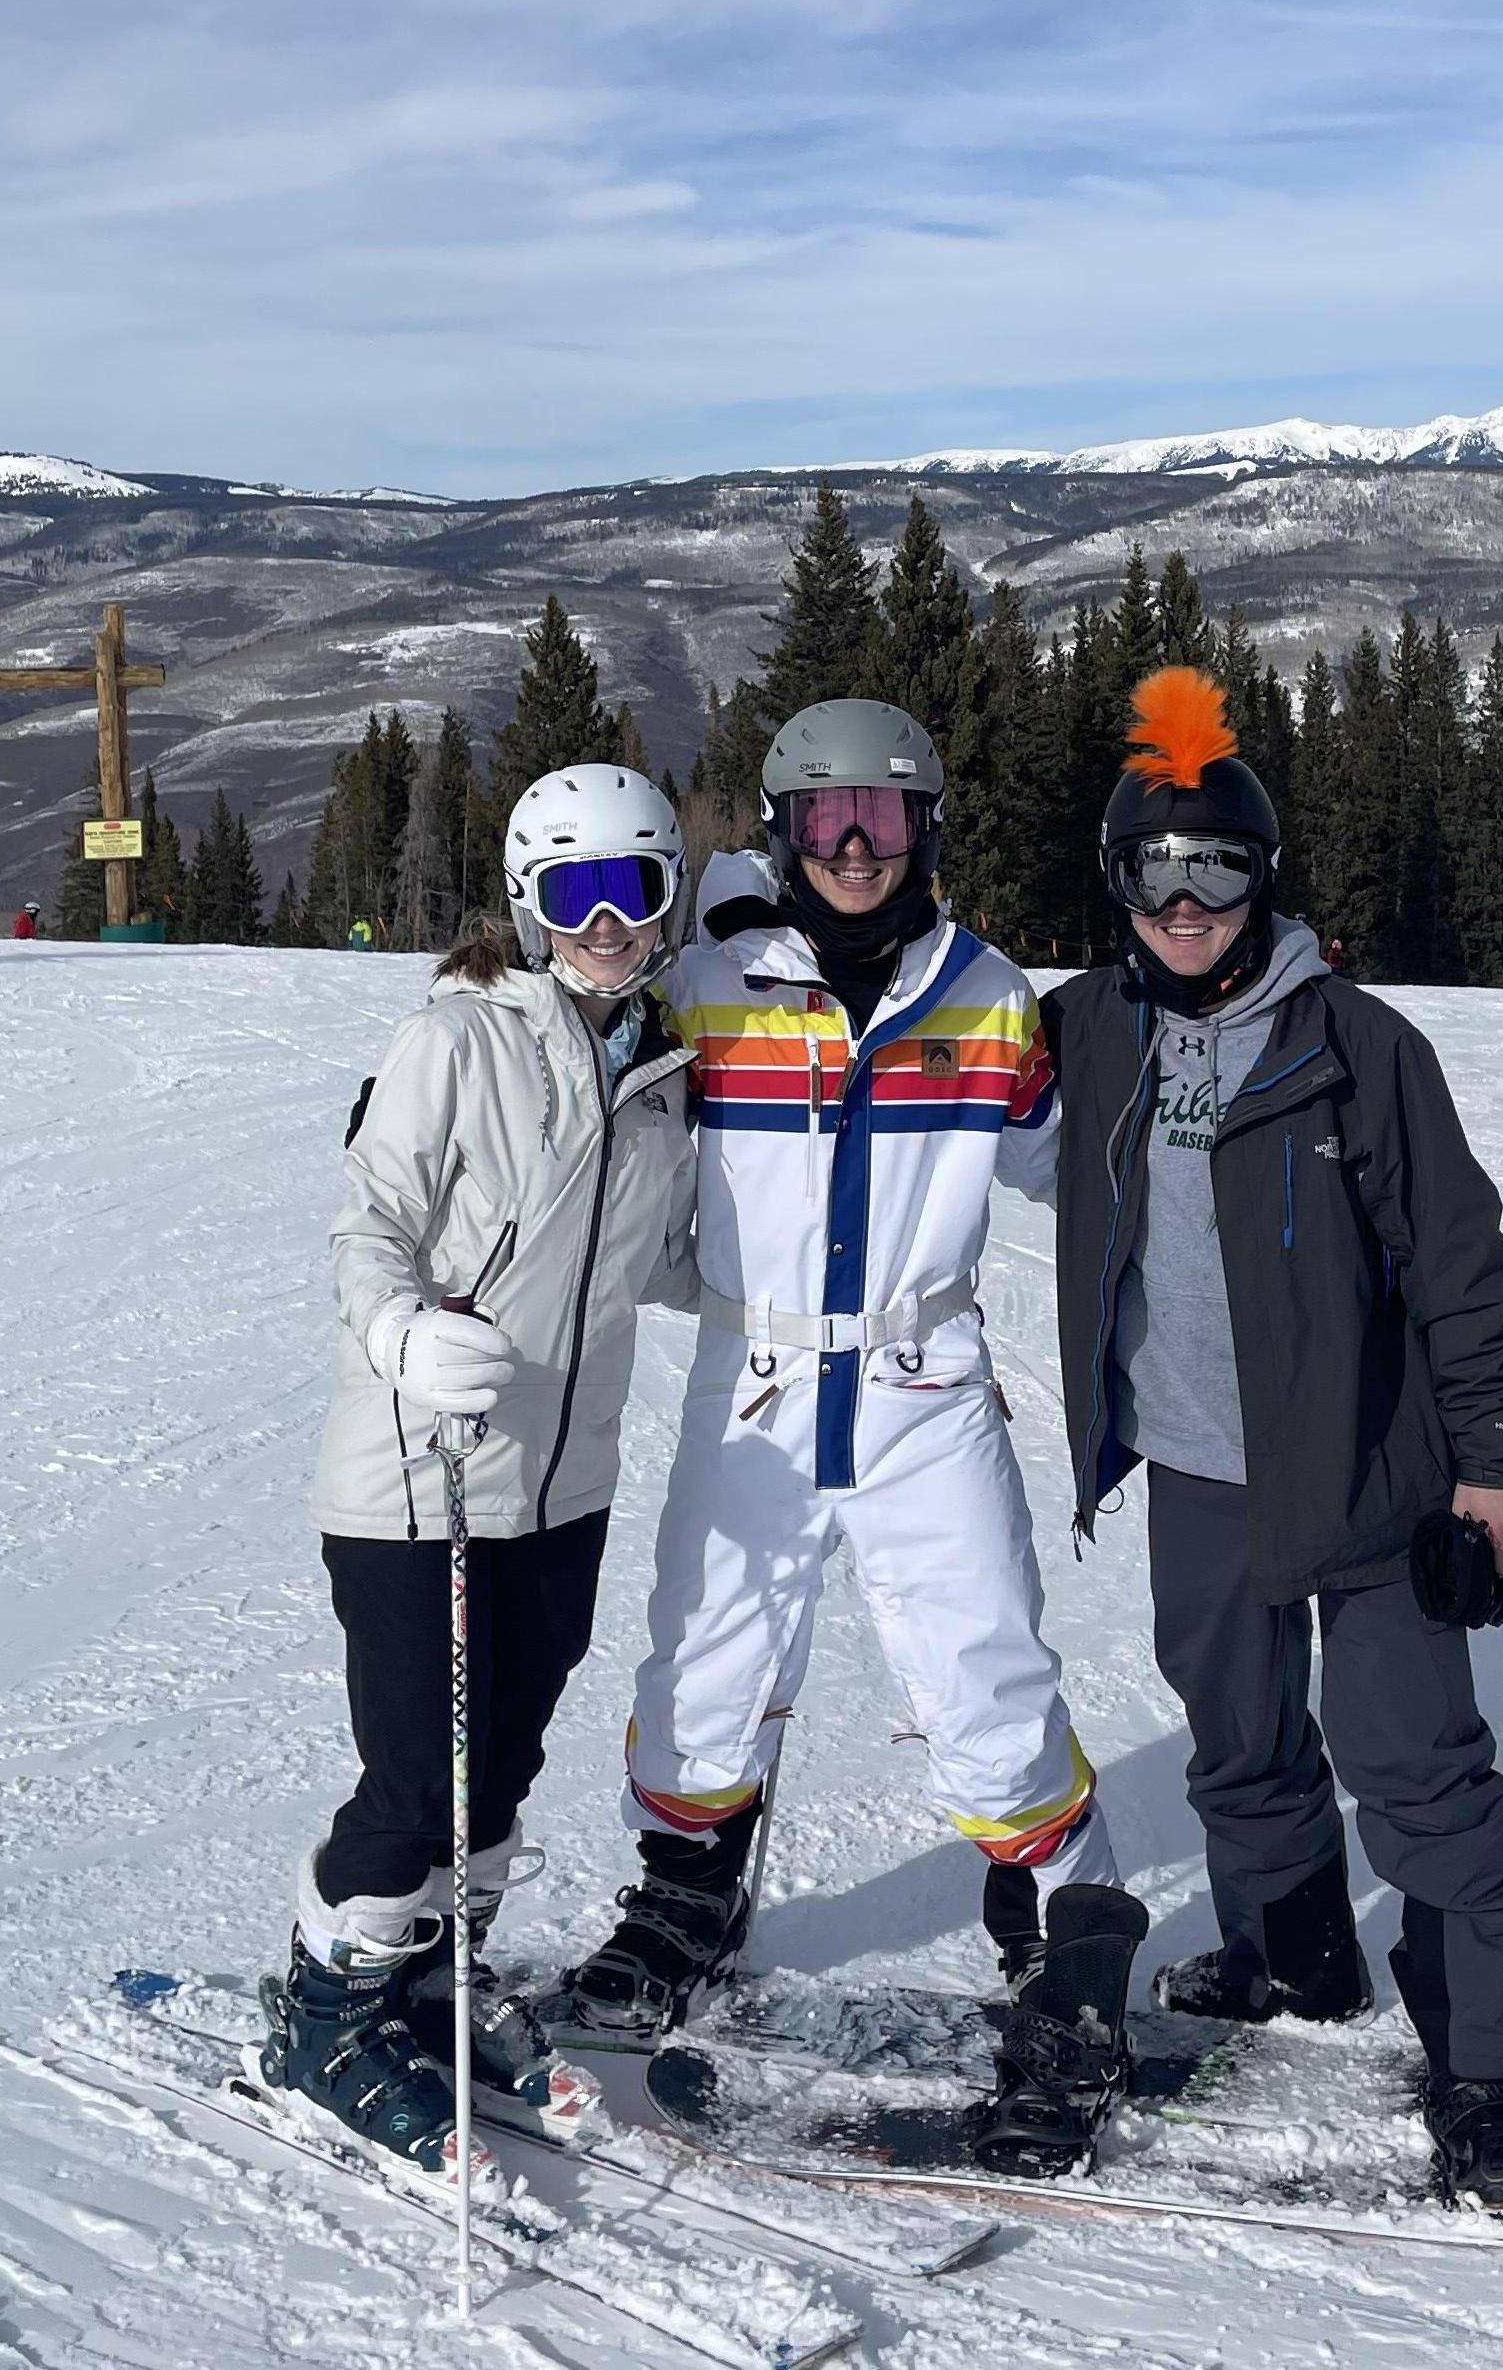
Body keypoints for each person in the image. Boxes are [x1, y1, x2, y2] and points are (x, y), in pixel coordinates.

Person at [555, 699, 1140, 2176]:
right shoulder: (708, 984)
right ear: (781, 831)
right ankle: (688, 1897)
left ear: (926, 826)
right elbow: (586, 1102)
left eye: (883, 817)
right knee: (705, 1648)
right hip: (749, 1377)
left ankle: (1055, 1931)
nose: (858, 846)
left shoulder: (986, 993)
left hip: (919, 1376)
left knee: (981, 1658)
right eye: (825, 820)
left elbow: (1086, 1173)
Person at [1039, 666, 1503, 2225]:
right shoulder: (1087, 1034)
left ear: (1260, 881)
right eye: (1157, 870)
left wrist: (1499, 1464)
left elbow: (1462, 1269)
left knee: (1418, 1776)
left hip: (1373, 1470)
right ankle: (1290, 1954)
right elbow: (915, 1027)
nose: (1187, 900)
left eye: (1216, 869)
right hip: (1200, 1467)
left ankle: (1490, 2074)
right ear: (1120, 887)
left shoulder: (1357, 1045)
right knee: (1240, 1738)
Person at [260, 765, 698, 2175]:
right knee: (413, 1783)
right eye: (574, 893)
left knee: (499, 1765)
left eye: (632, 887)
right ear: (528, 903)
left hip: (561, 1486)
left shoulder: (660, 1074)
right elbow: (368, 1219)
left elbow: (669, 1261)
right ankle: (321, 2014)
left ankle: (433, 1976)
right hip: (421, 1478)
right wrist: (399, 1328)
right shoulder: (456, 1037)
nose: (606, 921)